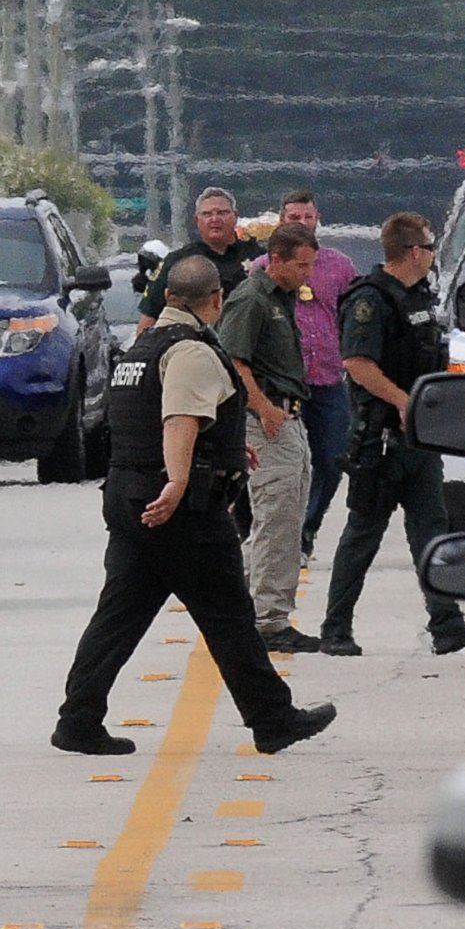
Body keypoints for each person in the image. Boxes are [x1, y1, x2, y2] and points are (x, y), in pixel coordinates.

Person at [52, 255, 337, 757]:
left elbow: (167, 418)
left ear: (166, 298)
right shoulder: (192, 350)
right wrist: (181, 481)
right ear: (216, 301)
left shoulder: (142, 348)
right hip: (179, 509)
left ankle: (78, 718)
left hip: (128, 497)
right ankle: (272, 719)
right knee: (229, 615)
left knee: (117, 617)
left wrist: (227, 448)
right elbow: (179, 419)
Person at [319, 212, 465, 658]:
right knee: (363, 533)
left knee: (432, 530)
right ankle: (336, 627)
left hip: (421, 439)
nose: (432, 257)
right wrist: (403, 401)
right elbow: (357, 363)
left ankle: (447, 623)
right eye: (430, 249)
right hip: (381, 438)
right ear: (414, 251)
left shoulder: (421, 297)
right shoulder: (370, 299)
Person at [217, 222, 320, 652]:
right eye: (300, 265)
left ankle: (245, 604)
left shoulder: (281, 298)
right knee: (275, 520)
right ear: (275, 259)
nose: (307, 274)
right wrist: (262, 407)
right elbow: (233, 361)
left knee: (287, 520)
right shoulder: (252, 299)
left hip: (288, 416)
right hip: (266, 420)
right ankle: (269, 620)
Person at [272, 191, 359, 561]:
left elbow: (356, 314)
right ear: (281, 220)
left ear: (318, 219)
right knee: (288, 462)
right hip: (284, 381)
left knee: (332, 456)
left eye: (307, 216)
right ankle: (284, 533)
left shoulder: (339, 266)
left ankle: (309, 526)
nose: (301, 223)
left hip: (327, 377)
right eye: (294, 216)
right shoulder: (265, 266)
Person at [135, 188, 263, 331]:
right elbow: (149, 318)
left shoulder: (259, 256)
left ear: (235, 216)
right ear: (197, 220)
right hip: (196, 345)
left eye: (222, 212)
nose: (215, 219)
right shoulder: (177, 261)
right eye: (207, 214)